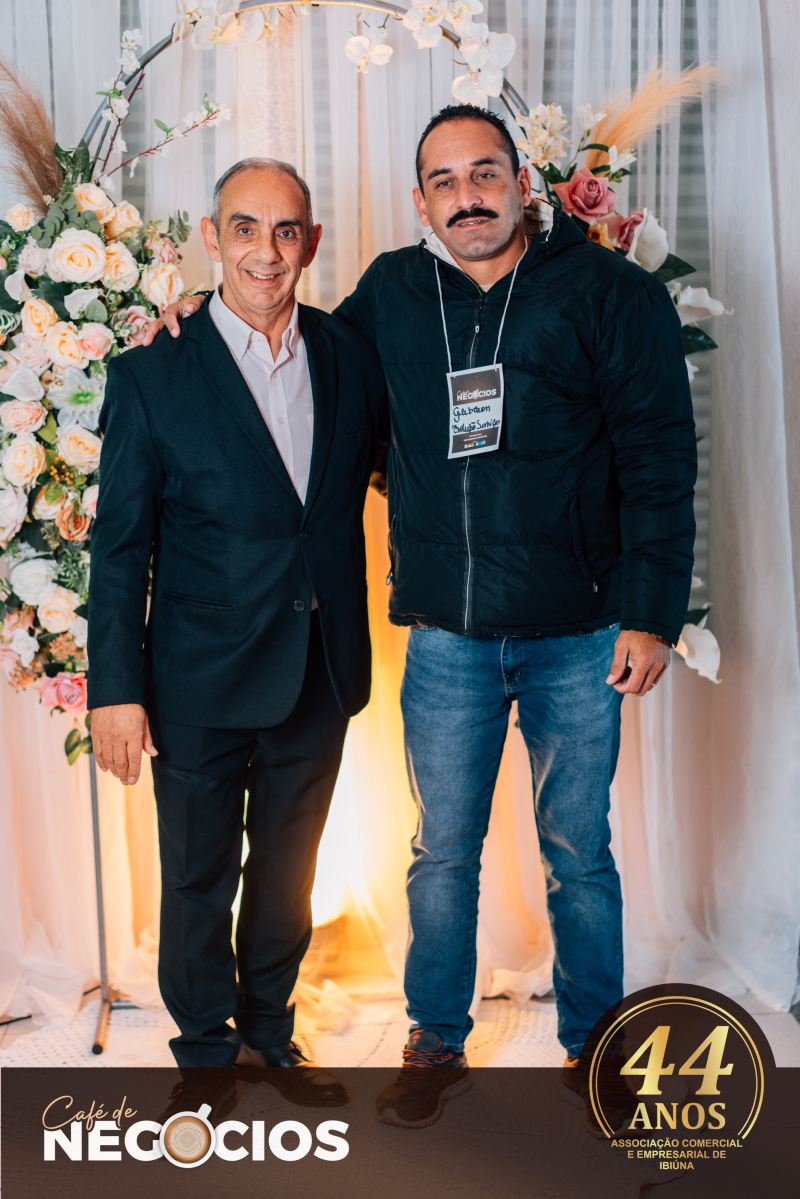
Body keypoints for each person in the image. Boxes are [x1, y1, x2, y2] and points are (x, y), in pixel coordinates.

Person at [143, 105, 697, 1130]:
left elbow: (660, 460)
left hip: (579, 629)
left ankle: (593, 1043)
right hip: (445, 634)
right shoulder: (391, 295)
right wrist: (193, 323)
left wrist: (650, 613)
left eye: (485, 173)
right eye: (444, 181)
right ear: (420, 201)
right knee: (441, 852)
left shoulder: (607, 293)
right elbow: (290, 355)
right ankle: (435, 1038)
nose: (467, 196)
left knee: (578, 848)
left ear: (522, 183)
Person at [88, 157, 384, 1087]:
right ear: (212, 239)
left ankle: (269, 1030)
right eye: (246, 228)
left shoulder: (350, 354)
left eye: (286, 230)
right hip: (198, 679)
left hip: (318, 668)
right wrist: (114, 691)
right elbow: (119, 546)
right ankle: (207, 1053)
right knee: (196, 879)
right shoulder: (151, 373)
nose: (267, 251)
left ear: (312, 242)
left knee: (290, 876)